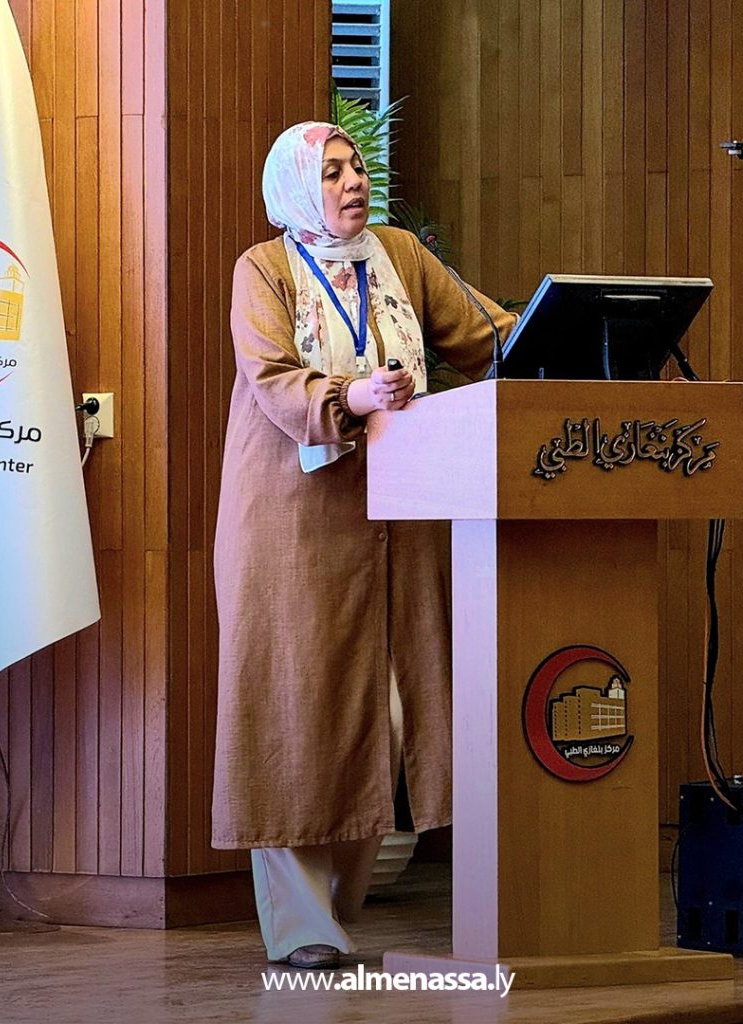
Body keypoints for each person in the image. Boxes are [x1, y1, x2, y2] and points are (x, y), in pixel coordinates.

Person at [211, 121, 516, 969]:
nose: (353, 182)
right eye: (332, 172)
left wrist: (574, 342)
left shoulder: (400, 255)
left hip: (400, 511)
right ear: (296, 190)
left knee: (384, 709)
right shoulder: (263, 268)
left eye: (356, 167)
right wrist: (351, 394)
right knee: (297, 704)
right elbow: (272, 377)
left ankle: (336, 912)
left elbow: (487, 335)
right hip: (292, 518)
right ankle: (303, 926)